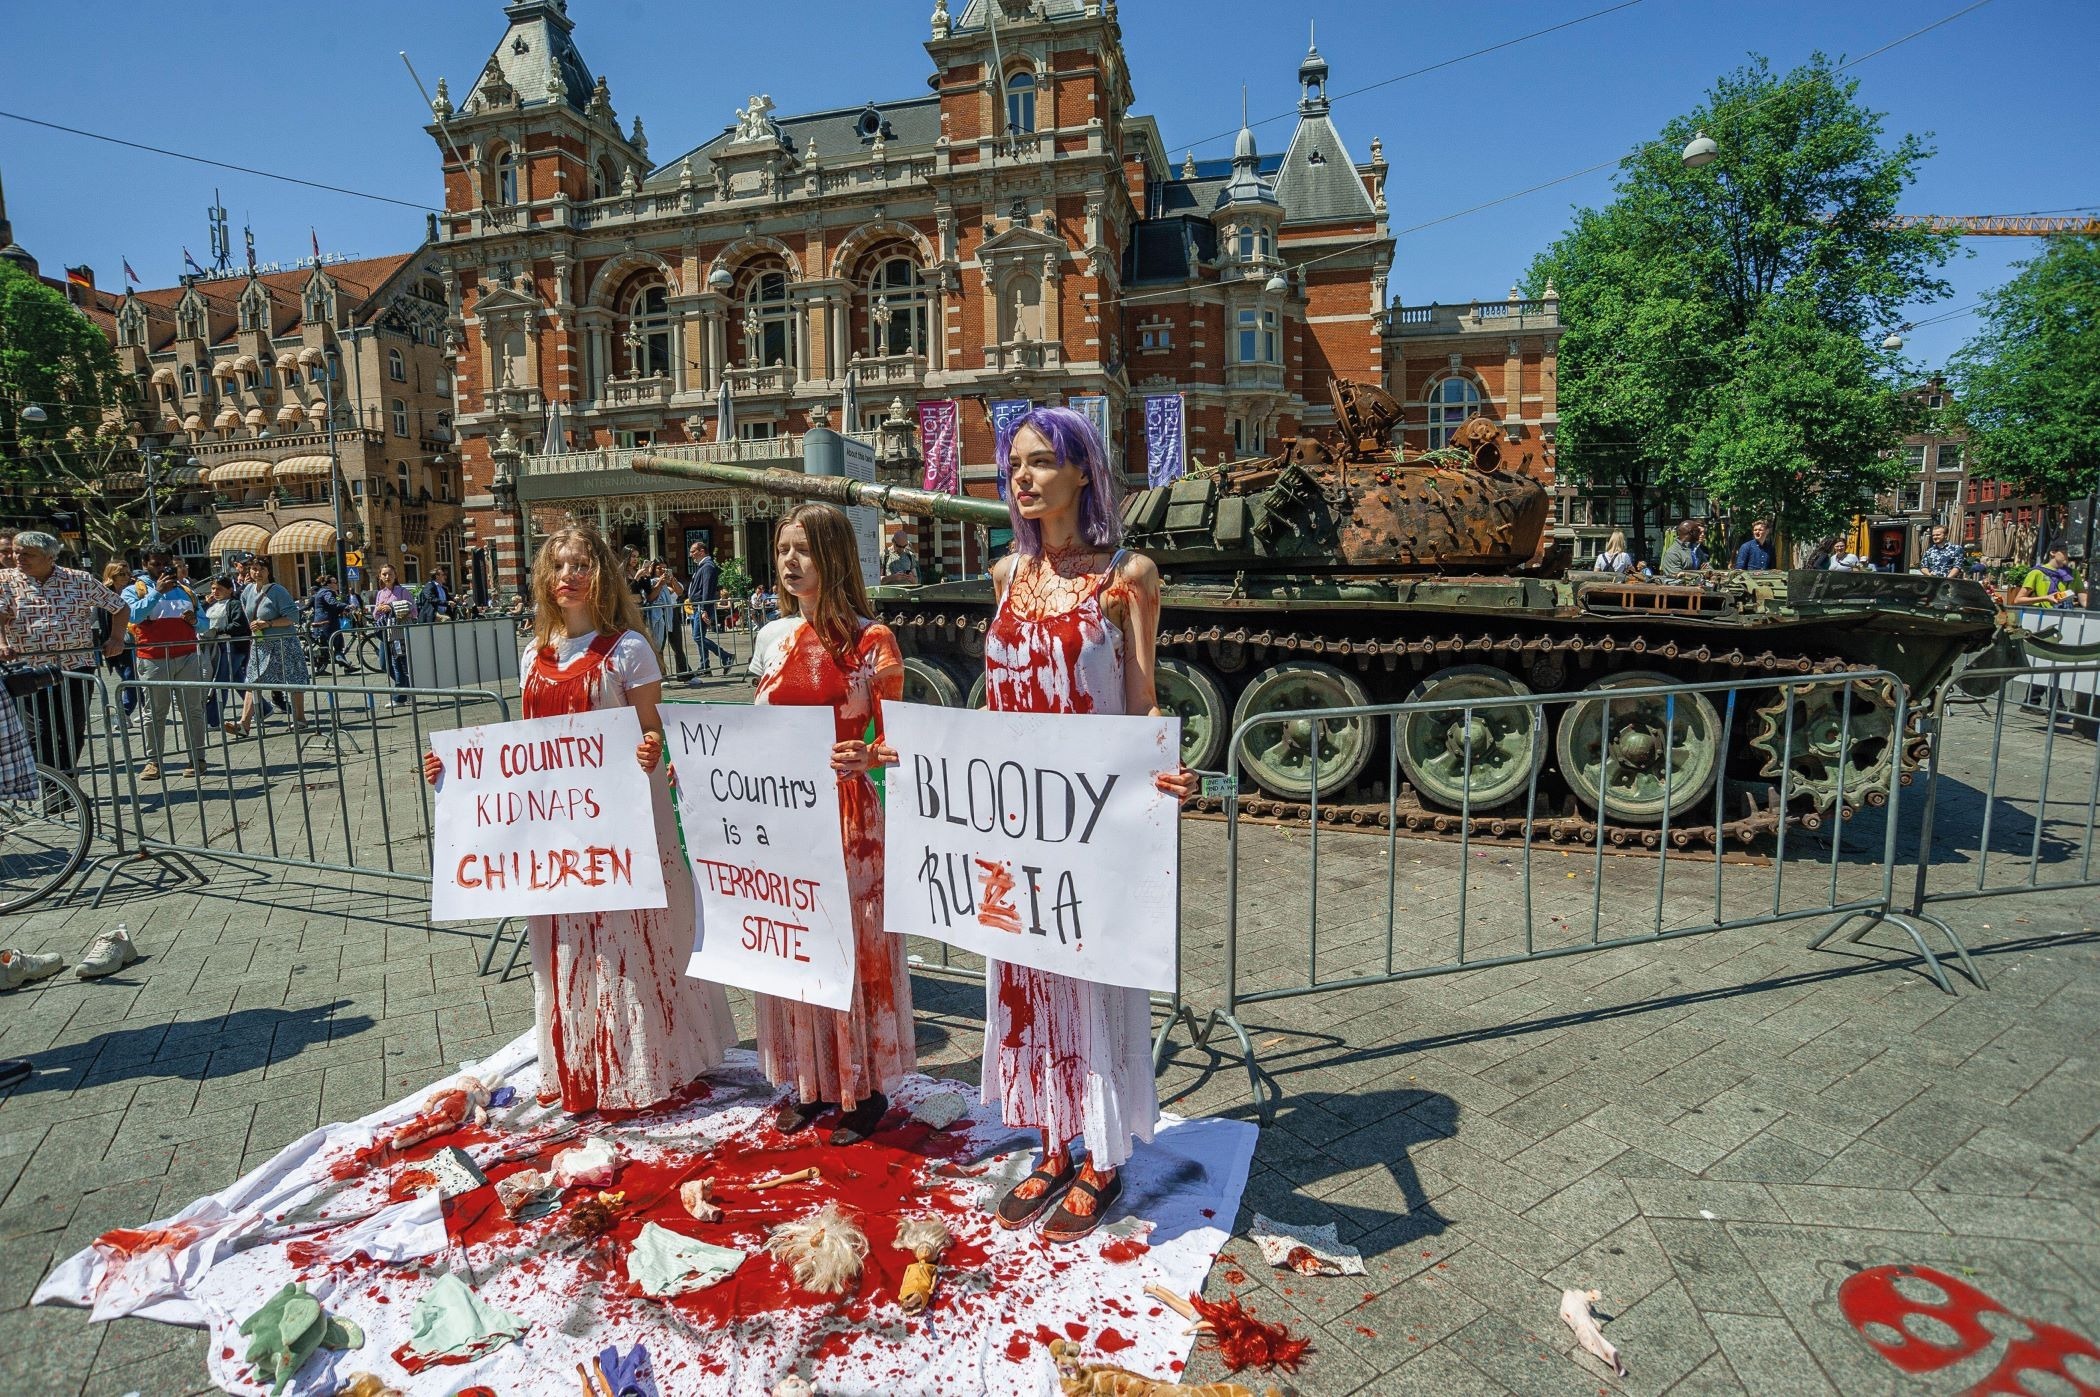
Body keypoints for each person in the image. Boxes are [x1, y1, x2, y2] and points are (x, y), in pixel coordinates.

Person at [979, 406, 1196, 1245]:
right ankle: (1047, 1139)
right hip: (1014, 820)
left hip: (1091, 825)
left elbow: (1142, 703)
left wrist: (1161, 769)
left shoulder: (1127, 577)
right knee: (1027, 981)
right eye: (1016, 465)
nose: (1024, 478)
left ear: (1081, 472)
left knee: (1093, 981)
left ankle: (1101, 1158)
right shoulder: (1005, 575)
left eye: (1041, 463)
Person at [427, 526, 735, 1112]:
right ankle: (583, 1062)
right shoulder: (532, 656)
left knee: (630, 944)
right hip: (556, 836)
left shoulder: (629, 651)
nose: (568, 575)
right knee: (568, 947)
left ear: (602, 576)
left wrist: (652, 750)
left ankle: (647, 1063)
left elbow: (654, 729)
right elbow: (523, 750)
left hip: (624, 827)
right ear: (544, 579)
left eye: (581, 564)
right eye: (558, 566)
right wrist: (454, 772)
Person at [746, 503, 913, 1146]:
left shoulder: (874, 641)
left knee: (850, 949)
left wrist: (870, 753)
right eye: (784, 549)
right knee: (794, 942)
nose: (790, 561)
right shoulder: (772, 636)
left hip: (848, 815)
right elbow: (753, 728)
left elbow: (902, 741)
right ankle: (809, 1079)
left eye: (804, 550)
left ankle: (862, 1087)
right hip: (782, 814)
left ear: (835, 557)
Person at [0, 532, 128, 774]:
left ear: (49, 557)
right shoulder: (4, 580)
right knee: (39, 731)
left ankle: (66, 781)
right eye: (17, 552)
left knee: (72, 729)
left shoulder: (79, 579)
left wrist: (116, 638)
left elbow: (120, 607)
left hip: (76, 666)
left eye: (27, 554)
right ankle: (55, 790)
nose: (19, 557)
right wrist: (2, 642)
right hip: (29, 668)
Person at [127, 558, 209, 780]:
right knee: (154, 713)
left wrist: (194, 622)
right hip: (153, 659)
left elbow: (205, 623)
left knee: (192, 709)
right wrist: (156, 593)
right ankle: (153, 761)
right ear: (144, 564)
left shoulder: (186, 591)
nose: (162, 569)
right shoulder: (135, 590)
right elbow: (132, 615)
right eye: (156, 564)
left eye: (166, 565)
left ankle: (197, 759)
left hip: (187, 656)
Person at [228, 557, 309, 736]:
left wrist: (268, 623)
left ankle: (300, 718)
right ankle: (244, 724)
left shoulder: (278, 591)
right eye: (254, 569)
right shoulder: (247, 591)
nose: (257, 572)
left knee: (293, 679)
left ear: (268, 571)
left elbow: (293, 617)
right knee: (252, 681)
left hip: (283, 642)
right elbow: (247, 614)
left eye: (261, 569)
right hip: (261, 644)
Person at [197, 573, 248, 729]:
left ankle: (212, 719)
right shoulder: (211, 604)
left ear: (229, 589)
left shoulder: (234, 604)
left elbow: (239, 625)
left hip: (232, 647)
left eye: (219, 589)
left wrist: (218, 630)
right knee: (237, 680)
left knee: (221, 681)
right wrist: (205, 603)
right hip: (216, 648)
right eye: (212, 589)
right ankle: (262, 709)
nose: (215, 592)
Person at [686, 540, 734, 677]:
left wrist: (703, 609)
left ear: (702, 551)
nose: (691, 555)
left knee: (697, 637)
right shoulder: (704, 566)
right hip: (698, 606)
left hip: (701, 606)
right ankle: (705, 666)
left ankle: (725, 656)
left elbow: (706, 590)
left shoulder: (707, 567)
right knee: (700, 636)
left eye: (693, 551)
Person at [370, 564, 416, 701]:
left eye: (390, 574)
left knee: (398, 664)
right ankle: (406, 688)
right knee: (385, 664)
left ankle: (400, 696)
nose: (387, 577)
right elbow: (375, 615)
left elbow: (413, 611)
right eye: (384, 574)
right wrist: (379, 609)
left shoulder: (402, 591)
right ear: (380, 576)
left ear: (395, 575)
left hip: (397, 632)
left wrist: (391, 608)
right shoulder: (380, 593)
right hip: (384, 632)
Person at [2012, 545, 2087, 609]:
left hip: (2067, 616)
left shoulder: (2074, 573)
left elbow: (2083, 600)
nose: (2067, 556)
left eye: (2068, 553)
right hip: (2044, 615)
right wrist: (2046, 598)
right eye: (2064, 552)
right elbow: (2018, 600)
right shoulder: (2037, 572)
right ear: (2052, 553)